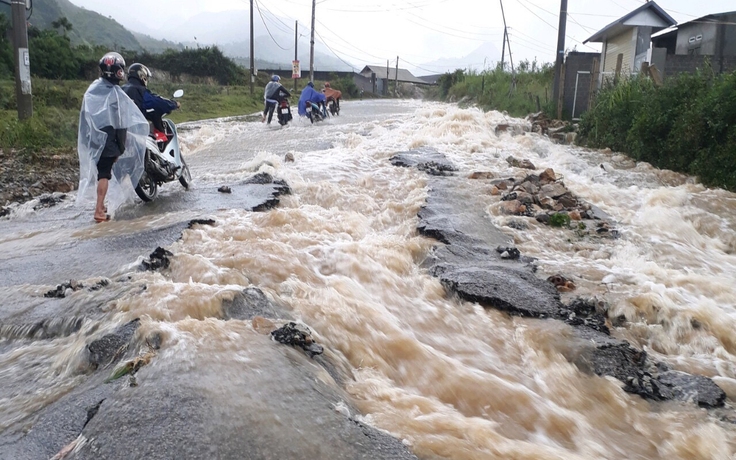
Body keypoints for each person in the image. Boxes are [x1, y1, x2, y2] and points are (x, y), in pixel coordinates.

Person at [77, 52, 148, 222]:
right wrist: (120, 148)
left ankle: (100, 207)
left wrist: (87, 141)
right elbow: (121, 123)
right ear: (118, 71)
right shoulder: (116, 94)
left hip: (93, 138)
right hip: (108, 139)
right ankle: (99, 210)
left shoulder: (93, 89)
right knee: (104, 175)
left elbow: (85, 116)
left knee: (101, 172)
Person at [122, 63, 180, 133]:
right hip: (135, 132)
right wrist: (174, 104)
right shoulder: (140, 91)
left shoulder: (121, 89)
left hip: (120, 129)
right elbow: (157, 101)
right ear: (141, 76)